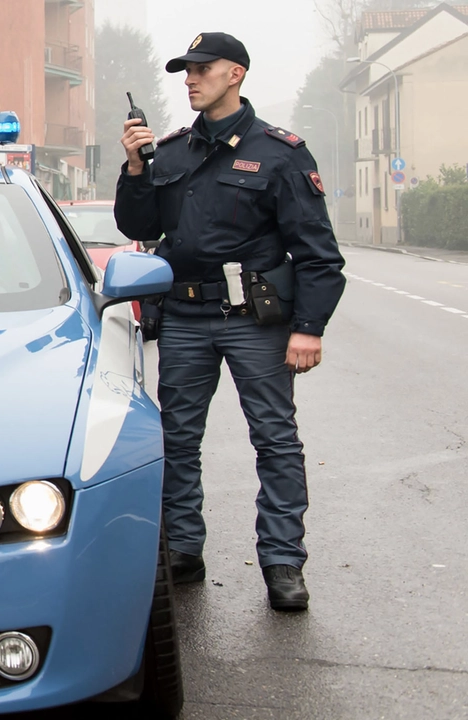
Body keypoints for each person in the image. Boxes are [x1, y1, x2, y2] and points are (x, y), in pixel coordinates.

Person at [114, 32, 346, 612]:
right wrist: (136, 166)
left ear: (235, 74)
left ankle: (282, 561)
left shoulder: (280, 152)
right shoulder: (168, 153)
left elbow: (318, 253)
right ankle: (184, 551)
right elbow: (135, 224)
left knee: (274, 440)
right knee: (176, 441)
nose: (189, 79)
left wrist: (309, 327)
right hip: (186, 317)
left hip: (256, 319)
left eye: (201, 69)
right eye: (184, 71)